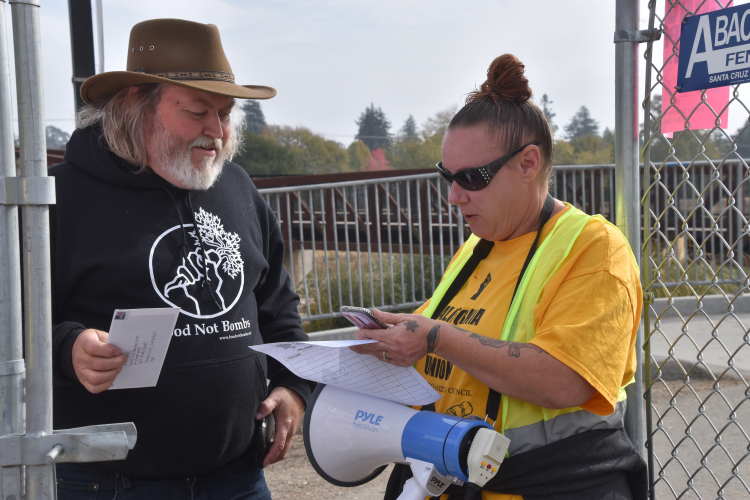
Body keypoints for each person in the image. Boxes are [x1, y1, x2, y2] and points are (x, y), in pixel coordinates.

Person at [351, 54, 647, 500]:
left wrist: (436, 337)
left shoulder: (594, 248)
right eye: (448, 176)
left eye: (472, 177)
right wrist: (388, 342)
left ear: (528, 164)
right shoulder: (476, 247)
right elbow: (433, 349)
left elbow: (566, 379)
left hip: (551, 487)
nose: (454, 196)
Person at [50, 19, 314, 499]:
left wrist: (294, 385)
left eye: (225, 113)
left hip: (237, 476)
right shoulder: (61, 199)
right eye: (196, 111)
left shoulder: (237, 187)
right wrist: (67, 349)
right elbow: (12, 331)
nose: (216, 131)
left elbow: (277, 307)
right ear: (134, 105)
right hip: (108, 484)